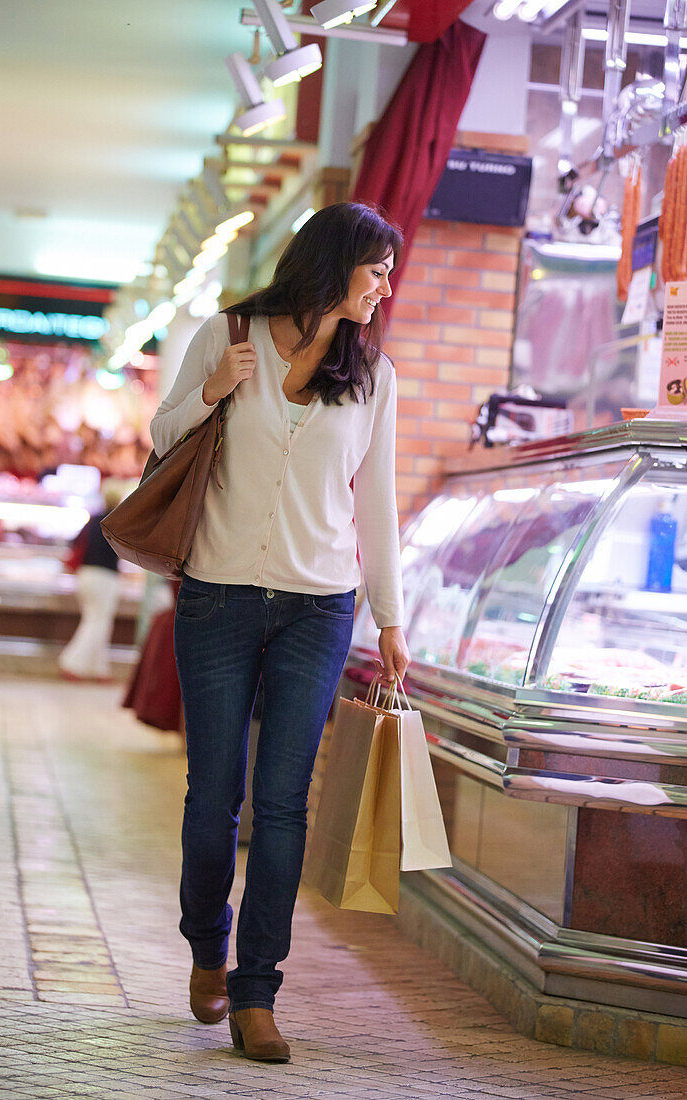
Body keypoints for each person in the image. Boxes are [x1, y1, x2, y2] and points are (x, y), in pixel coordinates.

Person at [150, 202, 411, 1064]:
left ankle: (257, 992)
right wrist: (210, 393)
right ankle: (205, 947)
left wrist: (391, 617)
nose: (383, 287)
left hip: (318, 608)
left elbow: (375, 504)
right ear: (333, 263)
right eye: (375, 268)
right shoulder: (230, 336)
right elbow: (161, 438)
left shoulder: (374, 376)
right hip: (219, 598)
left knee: (284, 804)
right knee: (211, 799)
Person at [59, 482, 123, 682]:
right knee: (98, 622)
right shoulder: (119, 521)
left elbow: (73, 542)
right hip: (105, 578)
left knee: (96, 621)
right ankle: (73, 663)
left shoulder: (93, 519)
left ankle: (98, 669)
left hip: (86, 575)